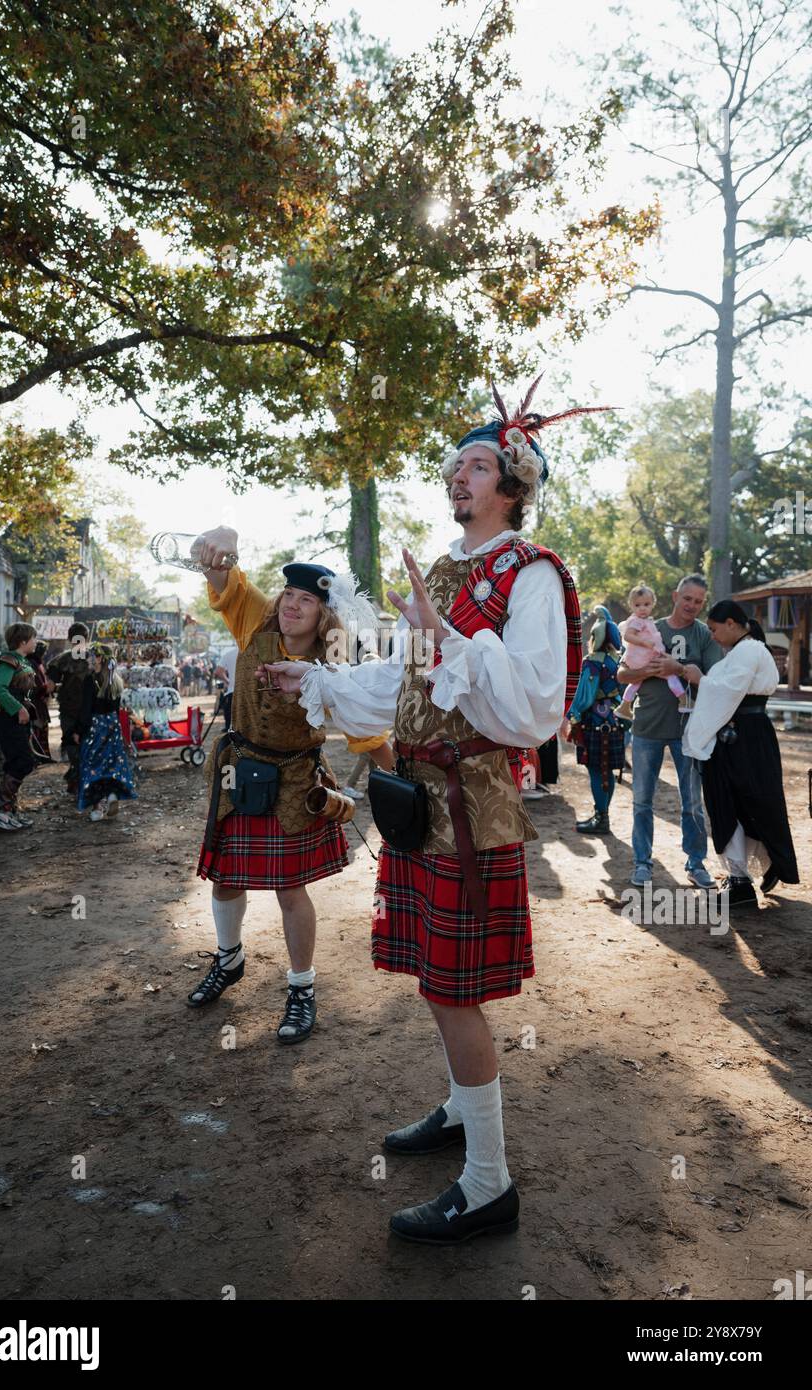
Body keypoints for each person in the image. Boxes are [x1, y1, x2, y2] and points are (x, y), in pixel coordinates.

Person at [266, 375, 593, 1245]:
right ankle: (461, 1110)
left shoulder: (531, 575)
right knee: (433, 980)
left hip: (469, 802)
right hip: (417, 797)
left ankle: (489, 1186)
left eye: (478, 466)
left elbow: (530, 709)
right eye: (454, 465)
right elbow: (408, 683)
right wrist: (324, 681)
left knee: (456, 991)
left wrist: (454, 639)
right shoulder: (447, 569)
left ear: (513, 486)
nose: (459, 476)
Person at [190, 535, 377, 1045]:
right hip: (237, 776)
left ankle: (301, 989)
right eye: (288, 596)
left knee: (288, 890)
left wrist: (399, 773)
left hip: (295, 783)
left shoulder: (334, 664)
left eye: (307, 600)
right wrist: (223, 542)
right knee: (226, 879)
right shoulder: (255, 624)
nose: (292, 606)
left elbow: (367, 729)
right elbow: (224, 580)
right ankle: (228, 960)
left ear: (323, 615)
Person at [682, 600, 799, 910]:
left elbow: (727, 691)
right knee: (744, 801)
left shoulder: (748, 651)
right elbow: (728, 690)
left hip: (743, 736)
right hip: (746, 734)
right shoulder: (746, 650)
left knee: (735, 801)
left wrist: (698, 678)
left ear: (732, 623)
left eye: (715, 628)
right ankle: (749, 872)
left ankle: (742, 880)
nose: (713, 635)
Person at [617, 574, 724, 890]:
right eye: (687, 598)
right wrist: (647, 671)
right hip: (647, 726)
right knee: (641, 800)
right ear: (676, 596)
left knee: (692, 801)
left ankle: (696, 863)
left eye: (698, 601)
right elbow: (622, 673)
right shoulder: (648, 625)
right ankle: (642, 863)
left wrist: (677, 669)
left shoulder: (704, 635)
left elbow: (713, 681)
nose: (692, 605)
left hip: (687, 731)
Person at [563, 605, 626, 835]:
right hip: (614, 720)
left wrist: (573, 716)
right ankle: (603, 815)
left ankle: (602, 818)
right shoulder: (615, 660)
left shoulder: (593, 662)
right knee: (606, 772)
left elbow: (584, 696)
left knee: (596, 772)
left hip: (594, 724)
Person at [0, 622, 39, 831]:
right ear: (23, 641)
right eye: (33, 638)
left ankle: (8, 809)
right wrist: (19, 709)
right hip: (7, 719)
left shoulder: (22, 661)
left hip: (17, 720)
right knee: (22, 761)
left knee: (18, 761)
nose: (36, 641)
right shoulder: (8, 661)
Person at [76, 645, 137, 820]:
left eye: (91, 656)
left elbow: (86, 709)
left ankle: (96, 808)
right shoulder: (116, 679)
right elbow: (117, 709)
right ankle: (111, 795)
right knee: (111, 762)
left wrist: (78, 730)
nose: (88, 659)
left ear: (99, 659)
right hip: (112, 725)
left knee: (93, 765)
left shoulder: (90, 680)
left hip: (95, 726)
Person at [615, 584, 686, 721]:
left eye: (646, 604)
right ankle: (683, 700)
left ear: (653, 604)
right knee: (670, 675)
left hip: (639, 659)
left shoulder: (645, 621)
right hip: (644, 657)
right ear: (631, 605)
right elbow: (628, 636)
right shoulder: (637, 621)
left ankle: (624, 706)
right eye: (637, 605)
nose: (642, 608)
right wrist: (644, 643)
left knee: (636, 683)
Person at [47, 623, 92, 796]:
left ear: (69, 638)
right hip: (89, 709)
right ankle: (79, 779)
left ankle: (77, 778)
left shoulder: (62, 659)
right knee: (87, 744)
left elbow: (50, 684)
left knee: (72, 744)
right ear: (86, 637)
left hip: (69, 709)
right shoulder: (95, 657)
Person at [29, 639, 54, 761]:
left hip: (40, 701)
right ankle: (39, 757)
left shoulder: (38, 663)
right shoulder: (32, 664)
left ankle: (44, 756)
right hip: (35, 702)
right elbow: (37, 685)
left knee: (42, 729)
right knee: (37, 729)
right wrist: (48, 688)